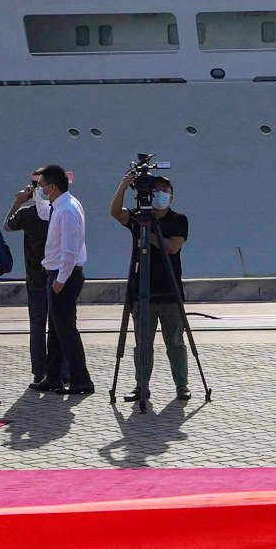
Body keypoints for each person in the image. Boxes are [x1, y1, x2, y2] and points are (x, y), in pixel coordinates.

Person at [107, 158, 196, 410]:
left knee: (175, 342)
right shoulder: (137, 217)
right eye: (156, 191)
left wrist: (148, 231)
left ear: (172, 197)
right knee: (142, 345)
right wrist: (123, 186)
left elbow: (171, 247)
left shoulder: (179, 219)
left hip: (169, 292)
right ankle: (141, 385)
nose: (160, 195)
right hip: (142, 293)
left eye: (165, 192)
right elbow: (115, 213)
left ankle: (182, 384)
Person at [26, 164, 91, 397]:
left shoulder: (67, 210)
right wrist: (35, 193)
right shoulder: (59, 205)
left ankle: (81, 380)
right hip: (56, 274)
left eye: (42, 186)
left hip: (65, 275)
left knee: (65, 330)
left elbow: (70, 250)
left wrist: (61, 279)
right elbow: (44, 211)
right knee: (54, 328)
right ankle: (52, 377)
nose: (41, 189)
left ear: (52, 187)